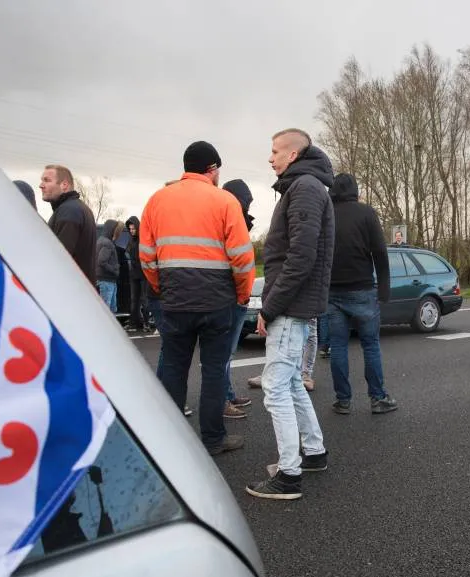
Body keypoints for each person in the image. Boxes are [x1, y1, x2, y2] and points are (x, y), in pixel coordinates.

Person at [139, 141, 255, 457]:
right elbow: (243, 259)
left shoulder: (157, 201)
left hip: (174, 301)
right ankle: (213, 439)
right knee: (214, 370)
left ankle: (171, 439)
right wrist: (242, 294)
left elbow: (147, 256)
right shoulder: (225, 201)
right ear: (213, 169)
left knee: (174, 367)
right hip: (217, 302)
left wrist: (161, 288)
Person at [246, 129, 334, 501]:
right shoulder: (306, 187)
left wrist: (270, 306)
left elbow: (300, 257)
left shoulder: (305, 189)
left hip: (291, 304)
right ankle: (313, 453)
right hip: (297, 303)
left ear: (294, 154)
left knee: (276, 387)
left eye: (275, 151)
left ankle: (288, 475)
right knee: (293, 382)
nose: (270, 158)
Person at [326, 172, 396, 415]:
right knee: (370, 345)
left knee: (338, 346)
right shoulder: (366, 213)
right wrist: (384, 288)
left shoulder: (326, 213)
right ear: (355, 190)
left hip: (332, 292)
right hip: (363, 289)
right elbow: (379, 251)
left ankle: (342, 400)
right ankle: (378, 398)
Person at [221, 179, 257, 419]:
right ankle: (222, 400)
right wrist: (244, 295)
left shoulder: (232, 216)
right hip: (231, 295)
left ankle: (227, 393)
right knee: (222, 353)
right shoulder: (230, 219)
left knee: (227, 353)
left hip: (234, 294)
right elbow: (240, 259)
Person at [40, 164, 97, 284]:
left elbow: (59, 260)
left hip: (70, 292)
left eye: (47, 180)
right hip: (80, 291)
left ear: (64, 185)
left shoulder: (69, 212)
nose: (41, 185)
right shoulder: (76, 208)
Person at [123, 216, 150, 332]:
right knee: (134, 299)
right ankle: (134, 322)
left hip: (143, 274)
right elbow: (128, 253)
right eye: (130, 229)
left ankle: (146, 323)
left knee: (144, 299)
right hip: (134, 274)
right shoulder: (130, 241)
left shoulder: (143, 240)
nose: (132, 231)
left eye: (133, 228)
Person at [95, 222, 120, 312]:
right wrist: (114, 269)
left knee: (109, 310)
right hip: (107, 281)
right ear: (112, 230)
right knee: (107, 311)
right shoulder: (108, 243)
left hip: (105, 280)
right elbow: (101, 261)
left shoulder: (101, 240)